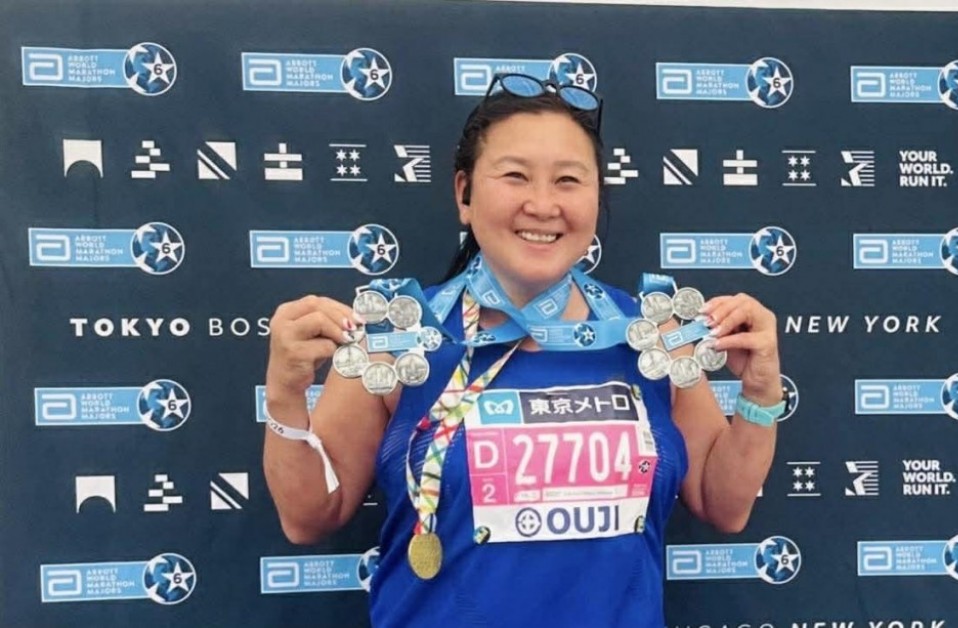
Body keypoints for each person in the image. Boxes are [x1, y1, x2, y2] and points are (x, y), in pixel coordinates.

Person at [263, 74, 783, 627]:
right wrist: (285, 393)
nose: (542, 204)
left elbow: (724, 506)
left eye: (568, 180)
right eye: (515, 176)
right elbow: (308, 518)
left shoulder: (652, 337)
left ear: (596, 197)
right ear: (464, 194)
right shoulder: (398, 337)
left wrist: (759, 391)